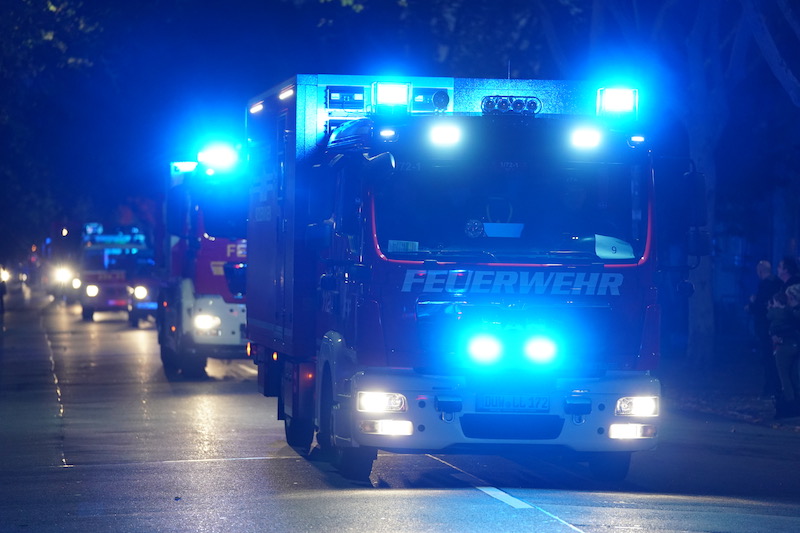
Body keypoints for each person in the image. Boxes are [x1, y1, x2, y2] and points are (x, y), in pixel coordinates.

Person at [746, 260, 783, 396]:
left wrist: (751, 304)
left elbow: (760, 307)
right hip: (776, 326)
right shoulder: (778, 284)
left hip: (766, 327)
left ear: (760, 272)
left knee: (768, 359)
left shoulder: (765, 285)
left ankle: (770, 389)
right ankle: (776, 388)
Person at [767, 285, 800, 418]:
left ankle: (790, 405)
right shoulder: (792, 311)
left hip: (788, 345)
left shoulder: (791, 312)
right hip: (794, 346)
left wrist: (775, 333)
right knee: (794, 376)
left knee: (786, 377)